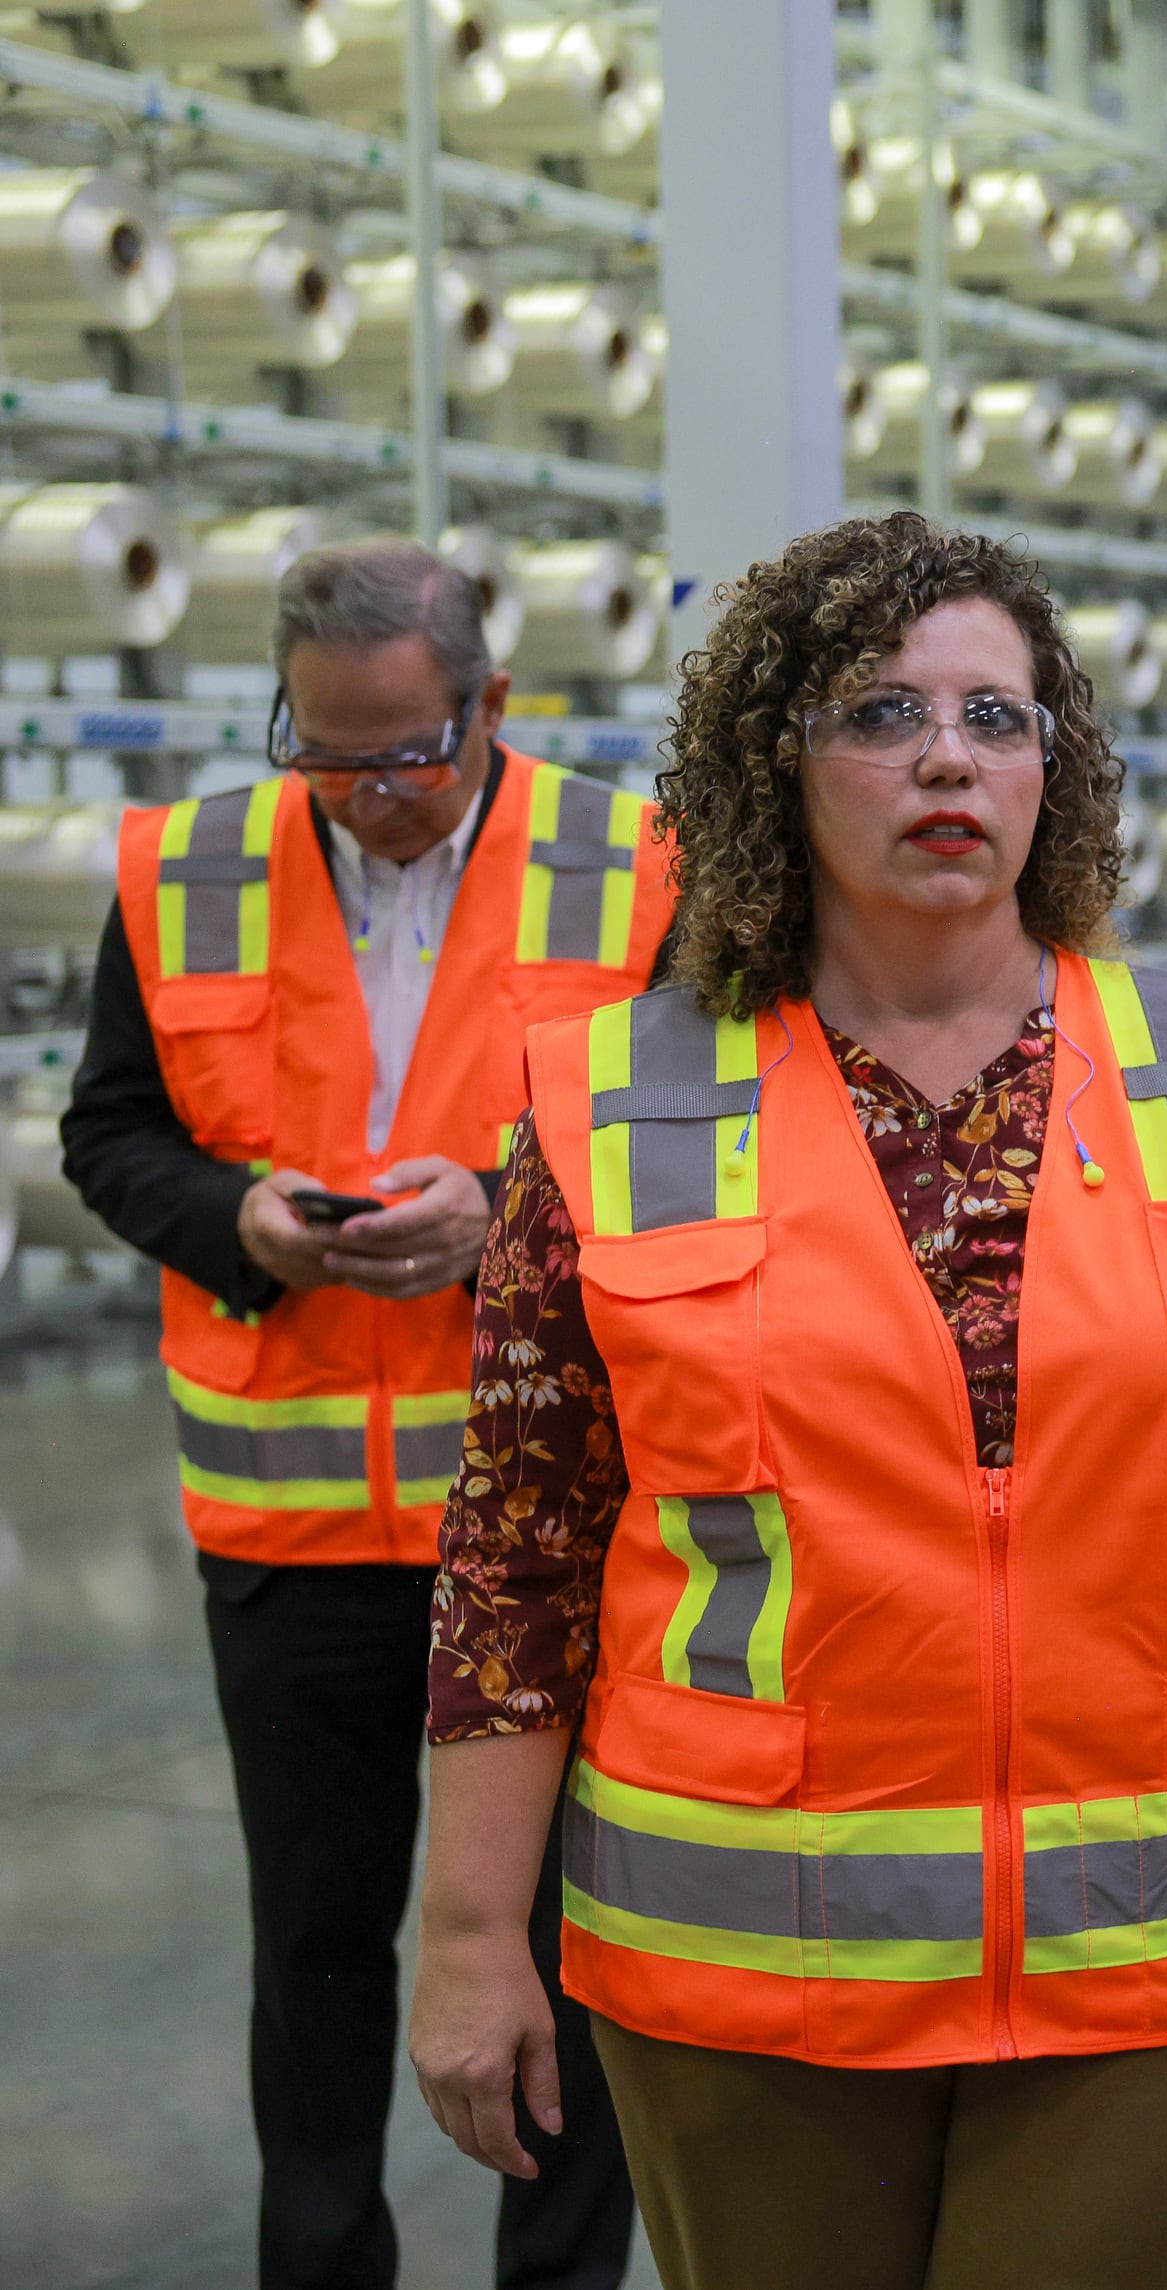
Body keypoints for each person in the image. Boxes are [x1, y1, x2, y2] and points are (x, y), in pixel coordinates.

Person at [403, 512, 1167, 2290]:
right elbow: (514, 1566)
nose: (949, 757)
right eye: (883, 715)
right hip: (744, 1979)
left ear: (1059, 766)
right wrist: (464, 1935)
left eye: (998, 716)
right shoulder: (616, 1104)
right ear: (778, 763)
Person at [59, 538, 666, 2290]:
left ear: (488, 705)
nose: (369, 798)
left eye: (408, 755)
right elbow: (112, 1137)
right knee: (314, 1956)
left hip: (552, 1526)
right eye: (324, 758)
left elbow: (708, 1144)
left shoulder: (629, 868)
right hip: (294, 1533)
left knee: (564, 1953)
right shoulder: (183, 872)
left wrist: (501, 1208)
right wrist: (236, 1223)